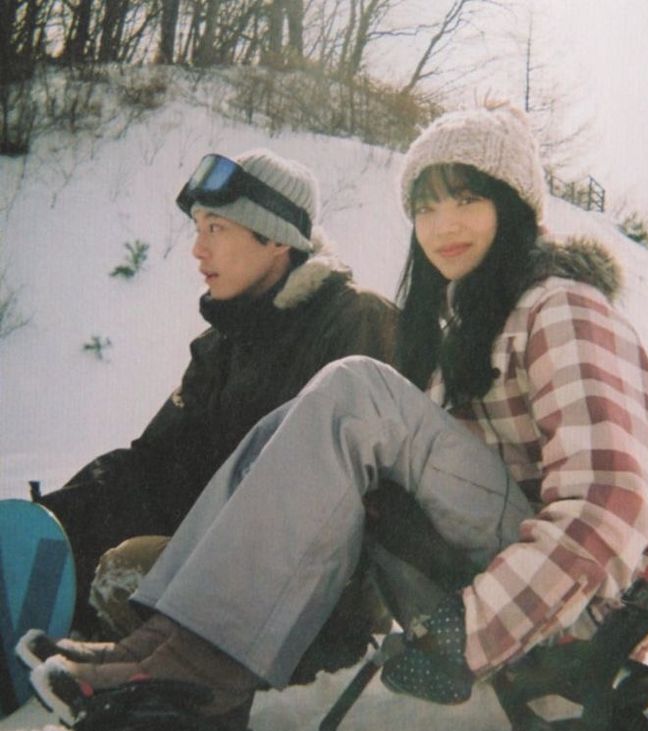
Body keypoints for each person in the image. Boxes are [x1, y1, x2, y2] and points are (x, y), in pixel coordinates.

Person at [25, 102, 648, 731]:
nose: (443, 223)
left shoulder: (562, 308)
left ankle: (194, 678)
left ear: (514, 209)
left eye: (466, 199)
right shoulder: (470, 331)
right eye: (426, 206)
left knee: (356, 395)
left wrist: (469, 635)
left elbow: (609, 504)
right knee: (289, 426)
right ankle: (163, 653)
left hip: (586, 613)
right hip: (501, 582)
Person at [38, 148, 398, 636]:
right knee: (83, 540)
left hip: (317, 589)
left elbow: (353, 498)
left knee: (127, 573)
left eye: (216, 229)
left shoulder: (356, 321)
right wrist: (56, 522)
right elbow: (157, 467)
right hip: (229, 556)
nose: (197, 249)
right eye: (197, 228)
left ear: (275, 240)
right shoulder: (223, 343)